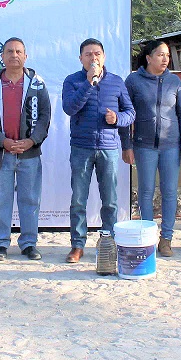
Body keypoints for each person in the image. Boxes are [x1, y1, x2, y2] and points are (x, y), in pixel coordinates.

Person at [61, 38, 135, 264]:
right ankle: (77, 245)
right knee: (79, 200)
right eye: (88, 54)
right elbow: (69, 108)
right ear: (81, 58)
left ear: (104, 57)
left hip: (109, 149)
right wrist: (88, 83)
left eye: (97, 54)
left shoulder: (116, 81)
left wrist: (118, 119)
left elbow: (130, 113)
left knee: (110, 201)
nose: (93, 58)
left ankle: (109, 242)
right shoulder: (73, 81)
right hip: (81, 147)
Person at [0, 38, 52, 262]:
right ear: (2, 56)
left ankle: (29, 243)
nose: (14, 55)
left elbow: (44, 117)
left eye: (19, 51)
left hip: (29, 153)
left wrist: (31, 141)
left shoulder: (37, 84)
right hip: (3, 154)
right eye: (9, 51)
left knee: (30, 200)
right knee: (2, 200)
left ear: (25, 56)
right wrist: (3, 141)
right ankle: (1, 244)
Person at [122, 39, 181, 257]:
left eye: (167, 55)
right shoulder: (133, 81)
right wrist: (127, 145)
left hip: (171, 146)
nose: (165, 59)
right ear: (148, 57)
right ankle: (148, 237)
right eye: (160, 55)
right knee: (145, 192)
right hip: (143, 146)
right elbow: (125, 113)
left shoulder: (175, 82)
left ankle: (167, 238)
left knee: (170, 192)